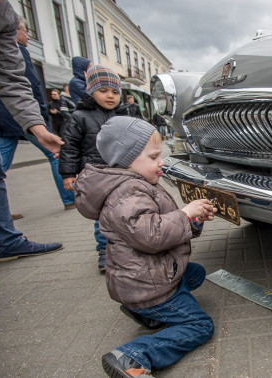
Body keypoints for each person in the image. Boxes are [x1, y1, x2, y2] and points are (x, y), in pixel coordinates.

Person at [74, 116, 216, 377]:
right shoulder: (128, 191)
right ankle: (134, 356)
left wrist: (193, 221)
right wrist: (184, 214)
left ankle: (145, 314)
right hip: (147, 285)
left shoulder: (135, 183)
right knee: (201, 325)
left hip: (139, 277)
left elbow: (160, 225)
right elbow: (151, 235)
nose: (161, 162)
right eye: (153, 157)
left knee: (195, 273)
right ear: (125, 158)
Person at [0, 1, 63, 287]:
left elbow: (12, 79)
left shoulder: (3, 14)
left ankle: (7, 242)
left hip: (12, 115)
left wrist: (37, 127)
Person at [0, 19, 76, 210]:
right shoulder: (15, 51)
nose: (28, 36)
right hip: (24, 117)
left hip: (2, 118)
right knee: (55, 152)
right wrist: (41, 116)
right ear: (13, 31)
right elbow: (30, 86)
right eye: (25, 30)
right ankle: (70, 198)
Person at [59, 65, 128, 272]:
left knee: (124, 209)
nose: (110, 96)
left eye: (115, 92)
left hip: (121, 172)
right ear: (91, 91)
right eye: (103, 91)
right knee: (101, 214)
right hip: (95, 174)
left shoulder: (124, 115)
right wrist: (69, 173)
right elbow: (70, 146)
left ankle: (126, 246)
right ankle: (104, 250)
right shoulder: (79, 116)